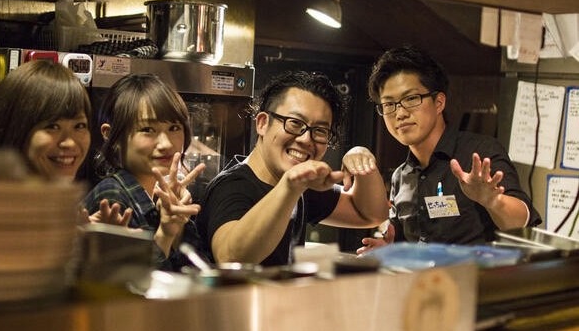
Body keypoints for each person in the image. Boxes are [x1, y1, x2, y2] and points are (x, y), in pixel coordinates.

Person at [358, 46, 541, 254]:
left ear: (439, 102)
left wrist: (493, 201)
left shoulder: (479, 153)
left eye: (411, 99)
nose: (400, 113)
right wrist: (390, 249)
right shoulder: (400, 176)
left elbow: (523, 223)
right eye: (389, 104)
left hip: (479, 274)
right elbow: (405, 244)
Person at [195, 70, 389, 266]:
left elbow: (370, 214)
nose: (306, 139)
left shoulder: (298, 185)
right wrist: (290, 186)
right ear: (262, 123)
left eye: (320, 131)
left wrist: (362, 160)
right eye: (295, 123)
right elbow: (230, 258)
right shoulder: (232, 187)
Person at [0, 59, 131, 225]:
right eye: (52, 127)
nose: (70, 143)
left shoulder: (57, 209)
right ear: (14, 129)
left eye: (79, 126)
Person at [84, 74, 206, 271]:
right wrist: (165, 233)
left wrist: (178, 229)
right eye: (148, 129)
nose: (166, 144)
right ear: (111, 135)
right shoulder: (112, 197)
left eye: (174, 127)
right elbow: (130, 284)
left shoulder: (163, 196)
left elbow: (195, 272)